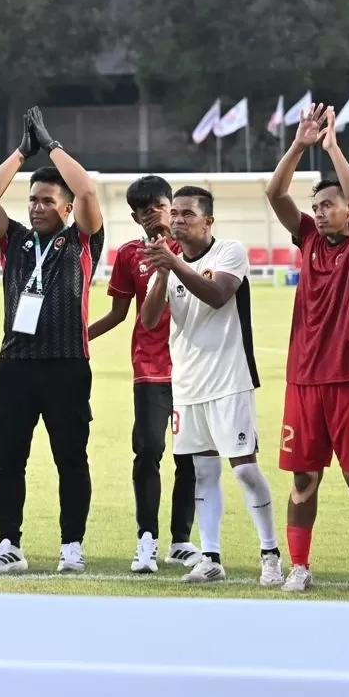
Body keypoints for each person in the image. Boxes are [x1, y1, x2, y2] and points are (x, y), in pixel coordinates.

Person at [0, 107, 105, 574]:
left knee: (71, 458)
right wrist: (20, 154)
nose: (36, 207)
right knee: (8, 460)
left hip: (67, 364)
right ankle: (9, 544)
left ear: (67, 209)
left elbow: (87, 189)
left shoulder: (83, 241)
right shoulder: (16, 243)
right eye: (32, 200)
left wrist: (51, 145)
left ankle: (72, 546)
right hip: (16, 367)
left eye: (48, 200)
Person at [265, 103, 349, 594]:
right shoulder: (309, 237)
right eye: (316, 206)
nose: (319, 211)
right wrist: (299, 145)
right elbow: (275, 193)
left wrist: (333, 149)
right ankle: (299, 565)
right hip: (303, 381)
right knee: (302, 480)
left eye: (326, 205)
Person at [140, 186, 282, 586]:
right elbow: (150, 320)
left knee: (244, 470)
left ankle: (270, 553)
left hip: (230, 380)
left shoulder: (229, 252)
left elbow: (219, 295)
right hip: (187, 386)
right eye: (176, 214)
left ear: (208, 221)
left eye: (187, 213)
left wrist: (174, 263)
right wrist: (163, 271)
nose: (178, 220)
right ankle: (210, 556)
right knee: (203, 473)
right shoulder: (172, 262)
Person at [90, 174, 199, 572]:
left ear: (172, 205)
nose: (151, 213)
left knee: (190, 456)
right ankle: (147, 539)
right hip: (150, 367)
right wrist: (82, 337)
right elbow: (120, 313)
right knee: (149, 450)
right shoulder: (129, 254)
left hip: (195, 369)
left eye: (157, 205)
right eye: (142, 209)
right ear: (135, 218)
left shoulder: (197, 249)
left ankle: (182, 540)